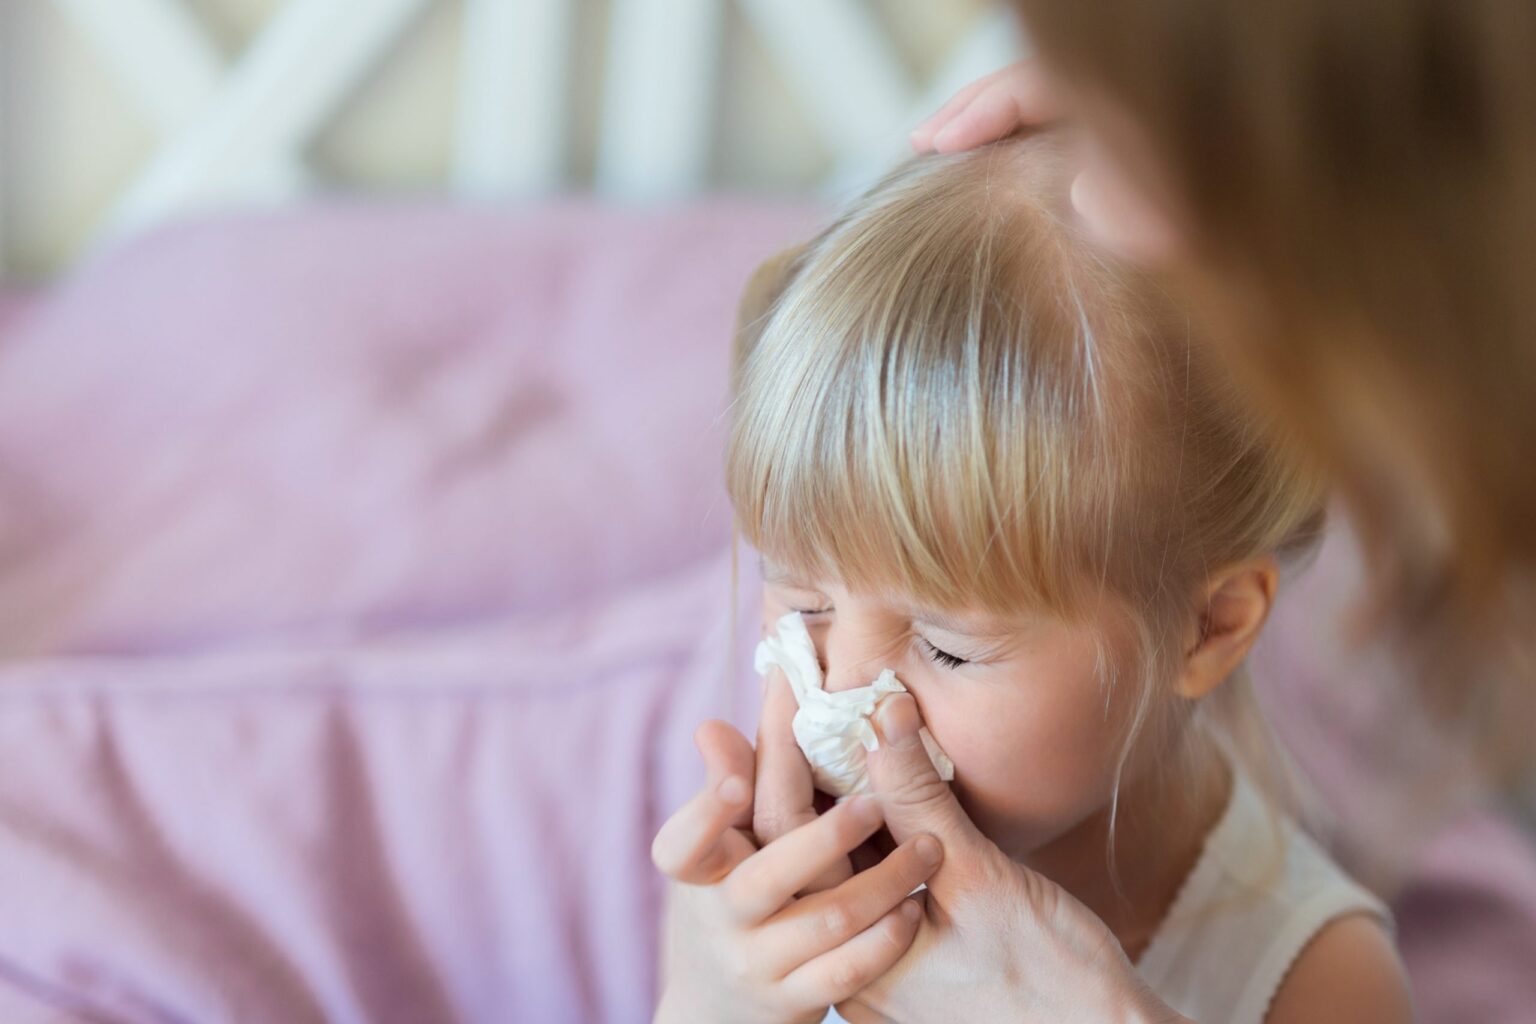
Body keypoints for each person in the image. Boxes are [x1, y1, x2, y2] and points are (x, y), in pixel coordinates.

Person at [651, 134, 1411, 1024]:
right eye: (806, 603)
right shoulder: (761, 892)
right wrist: (707, 1003)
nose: (839, 692)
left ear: (1205, 629)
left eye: (948, 646)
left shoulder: (1318, 981)